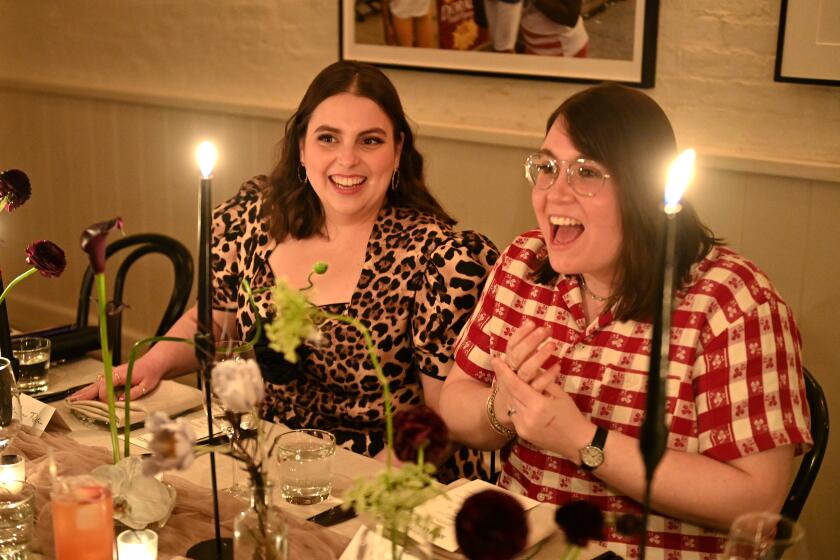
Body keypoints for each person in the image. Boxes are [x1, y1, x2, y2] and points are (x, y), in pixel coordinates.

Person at [71, 60, 498, 483]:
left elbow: (442, 414)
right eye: (328, 138)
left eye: (370, 141)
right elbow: (216, 322)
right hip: (265, 455)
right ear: (301, 147)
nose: (346, 160)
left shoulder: (440, 258)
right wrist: (152, 363)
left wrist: (367, 487)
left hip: (382, 474)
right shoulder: (253, 218)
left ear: (398, 150)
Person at [438, 84, 812, 557]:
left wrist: (582, 440)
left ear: (642, 189)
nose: (555, 194)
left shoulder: (733, 303)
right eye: (548, 168)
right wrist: (507, 403)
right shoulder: (523, 263)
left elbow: (757, 497)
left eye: (587, 172)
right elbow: (453, 406)